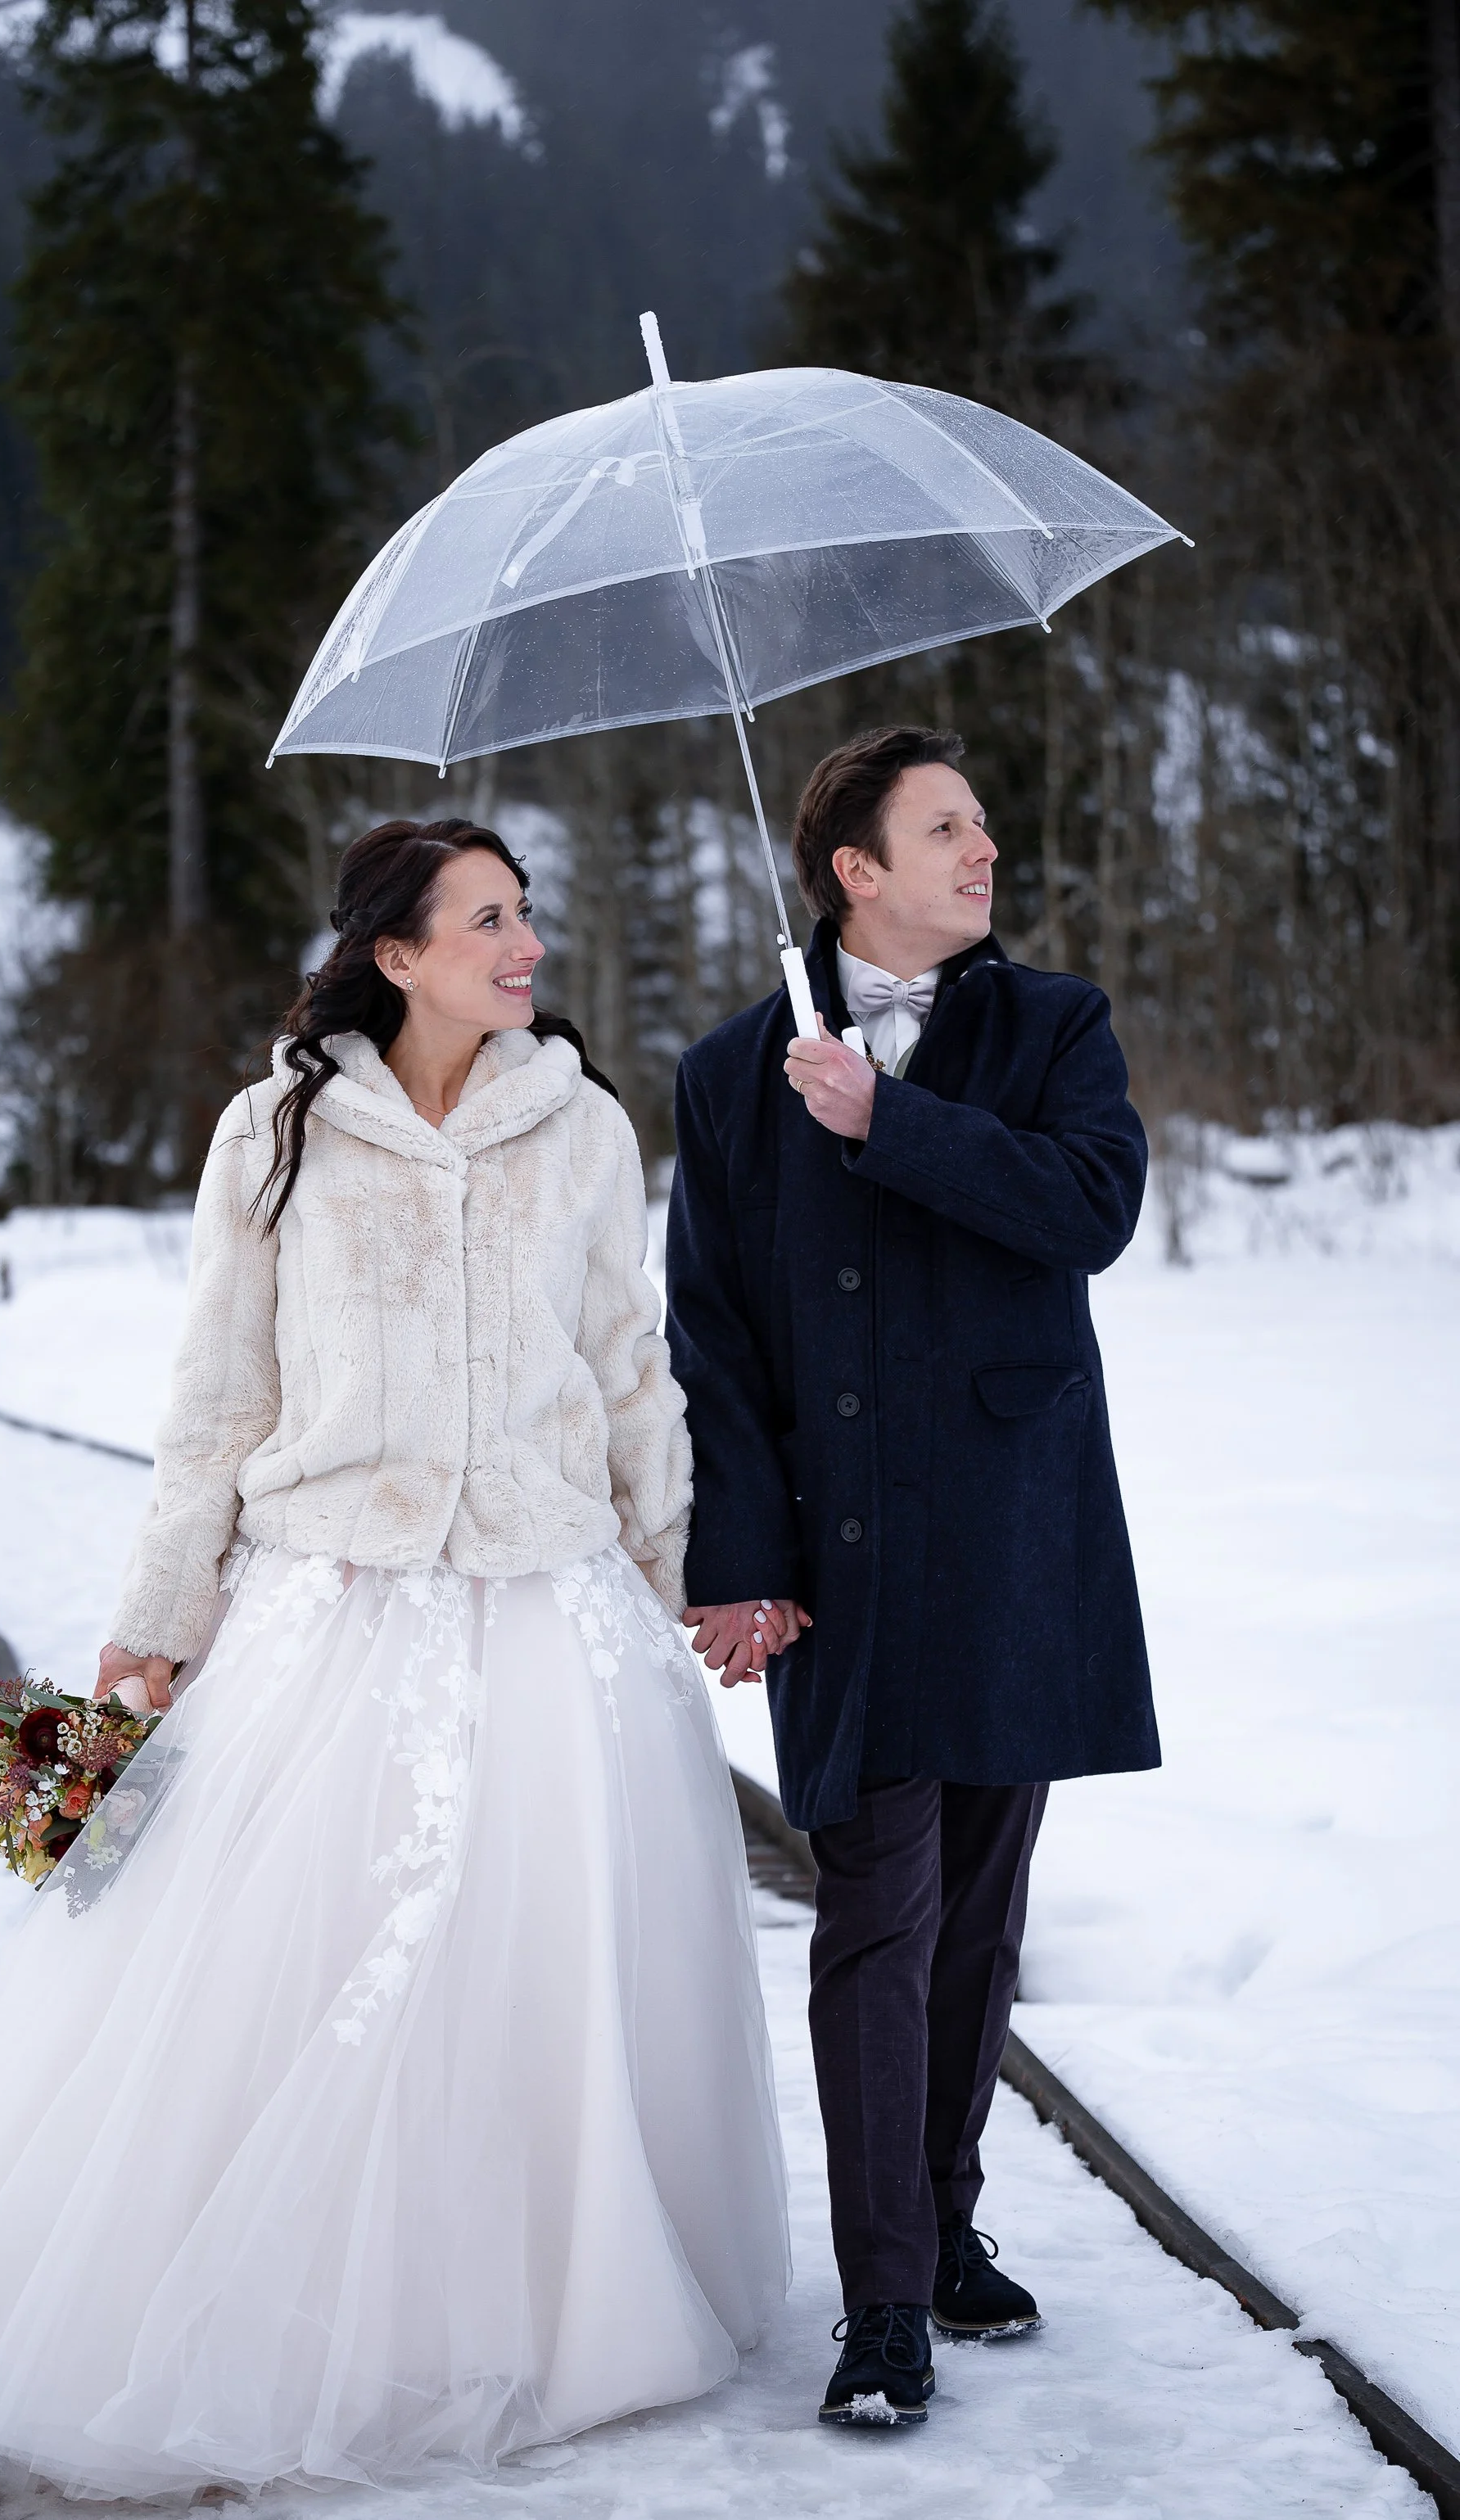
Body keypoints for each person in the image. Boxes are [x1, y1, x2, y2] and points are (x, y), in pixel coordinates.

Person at [0, 819, 788, 2501]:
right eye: (486, 919)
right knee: (280, 1971)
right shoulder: (274, 1133)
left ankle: (526, 2316)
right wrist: (155, 1626)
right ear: (394, 955)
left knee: (530, 1978)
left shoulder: (581, 1127)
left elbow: (628, 1372)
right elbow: (216, 1401)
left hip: (549, 1611)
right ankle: (255, 2322)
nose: (526, 945)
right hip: (332, 1603)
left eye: (527, 913)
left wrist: (687, 1574)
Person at [667, 726, 1157, 2429]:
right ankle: (882, 2303)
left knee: (977, 1917)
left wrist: (892, 1119)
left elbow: (1090, 1208)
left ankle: (946, 2229)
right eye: (946, 827)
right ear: (854, 870)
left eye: (983, 823)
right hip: (843, 1561)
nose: (984, 848)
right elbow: (712, 1334)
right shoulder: (731, 1070)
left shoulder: (1055, 1026)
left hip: (1016, 1539)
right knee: (877, 1916)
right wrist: (744, 1559)